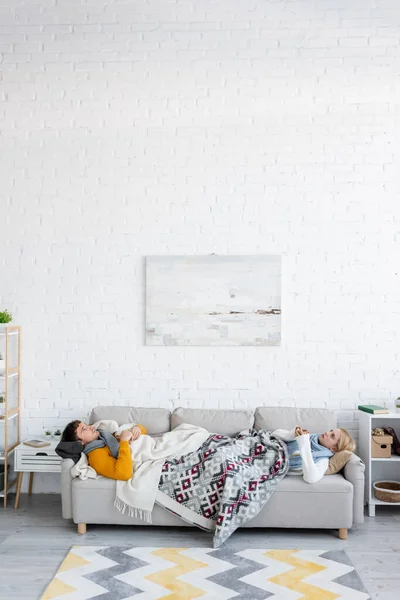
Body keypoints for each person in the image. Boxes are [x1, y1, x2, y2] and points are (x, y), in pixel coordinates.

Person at [61, 420, 147, 480]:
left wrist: (137, 428)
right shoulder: (96, 456)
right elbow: (124, 474)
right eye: (84, 429)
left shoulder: (104, 438)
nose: (90, 426)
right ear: (80, 443)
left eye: (86, 425)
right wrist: (124, 441)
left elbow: (141, 432)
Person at [272, 425, 356, 484]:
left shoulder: (322, 460)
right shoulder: (308, 436)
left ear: (334, 449)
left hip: (271, 461)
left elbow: (311, 478)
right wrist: (292, 434)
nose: (327, 433)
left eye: (332, 436)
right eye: (331, 431)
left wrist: (304, 443)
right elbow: (274, 434)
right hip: (268, 446)